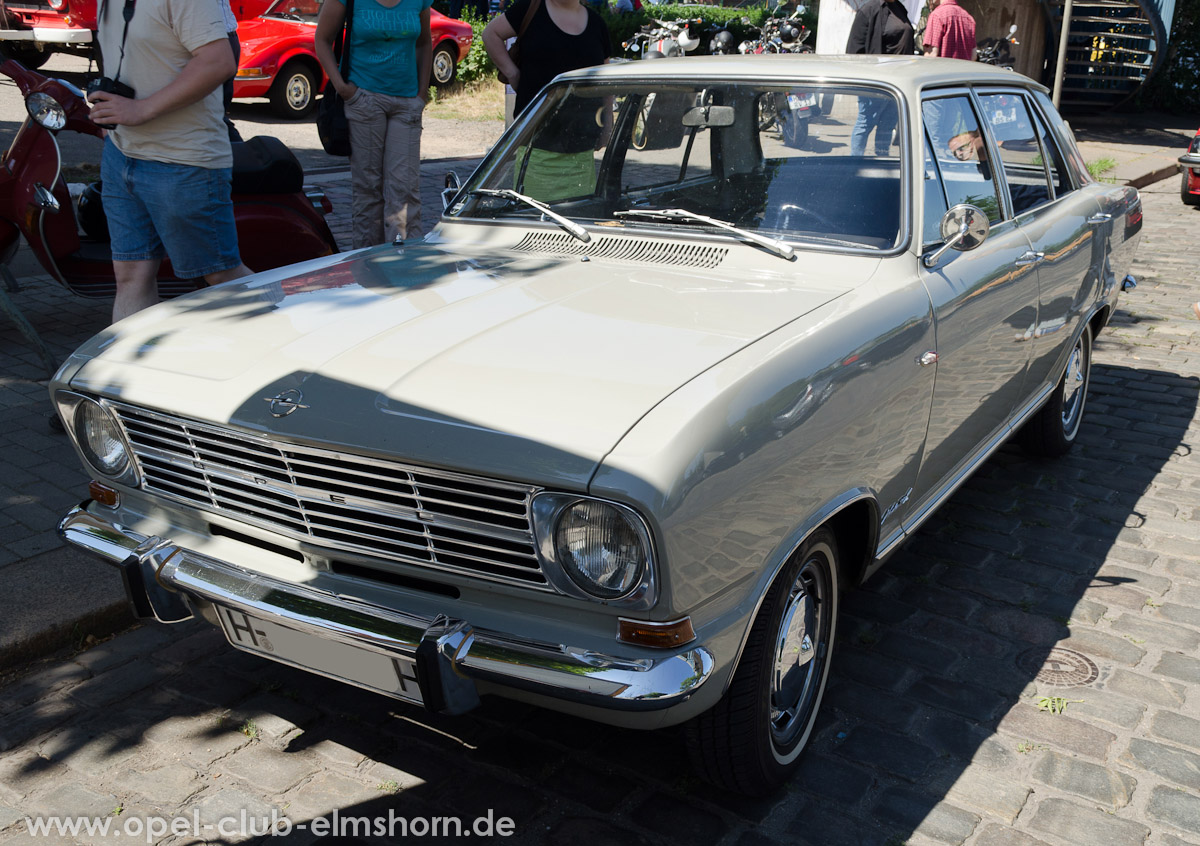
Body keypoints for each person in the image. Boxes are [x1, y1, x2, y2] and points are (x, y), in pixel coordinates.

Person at [89, 0, 253, 323]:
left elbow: (219, 61)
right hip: (122, 154)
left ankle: (288, 349)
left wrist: (139, 110)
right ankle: (133, 374)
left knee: (221, 277)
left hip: (185, 162)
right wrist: (112, 119)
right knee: (130, 276)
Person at [315, 0, 433, 248]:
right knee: (368, 192)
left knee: (405, 192)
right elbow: (322, 39)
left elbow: (424, 43)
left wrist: (421, 93)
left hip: (407, 103)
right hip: (364, 101)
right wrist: (342, 88)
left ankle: (404, 267)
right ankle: (368, 271)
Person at [482, 0, 610, 120]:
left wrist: (607, 131)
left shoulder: (597, 23)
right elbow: (491, 34)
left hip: (586, 131)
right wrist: (512, 73)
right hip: (534, 127)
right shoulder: (529, 9)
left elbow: (606, 87)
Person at [846, 0, 914, 157]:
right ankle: (854, 164)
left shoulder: (899, 8)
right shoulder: (868, 10)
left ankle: (882, 161)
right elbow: (854, 50)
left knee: (887, 126)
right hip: (876, 83)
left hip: (898, 83)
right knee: (865, 123)